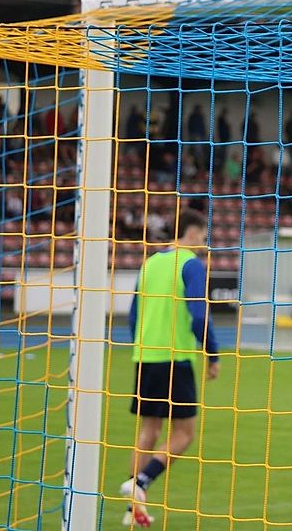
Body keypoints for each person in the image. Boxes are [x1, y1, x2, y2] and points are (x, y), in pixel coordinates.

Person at [120, 209, 220, 527]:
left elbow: (133, 314)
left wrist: (143, 344)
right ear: (192, 233)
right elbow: (199, 313)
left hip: (144, 357)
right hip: (175, 359)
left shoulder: (150, 262)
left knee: (148, 431)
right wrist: (212, 352)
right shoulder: (191, 263)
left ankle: (132, 508)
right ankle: (142, 482)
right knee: (184, 433)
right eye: (203, 235)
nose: (204, 242)